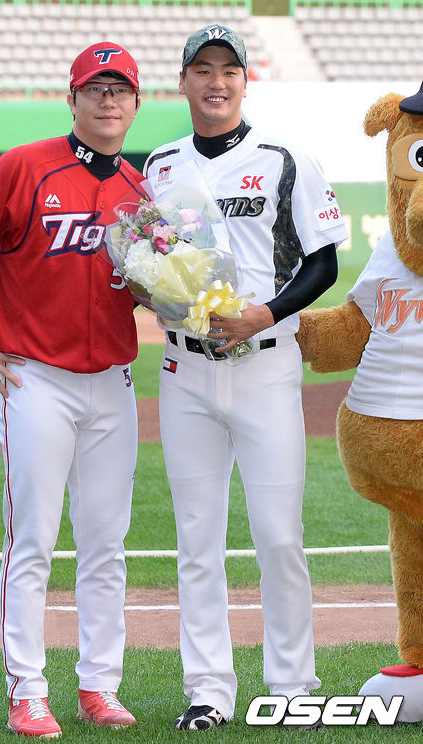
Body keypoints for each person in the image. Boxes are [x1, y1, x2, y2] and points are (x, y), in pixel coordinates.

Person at [143, 25, 348, 731]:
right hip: (185, 370)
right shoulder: (160, 165)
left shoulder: (284, 159)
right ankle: (208, 689)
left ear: (244, 80)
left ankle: (292, 685)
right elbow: (150, 257)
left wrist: (264, 313)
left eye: (228, 70)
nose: (216, 81)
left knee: (279, 536)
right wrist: (150, 289)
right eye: (202, 69)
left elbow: (324, 263)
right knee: (197, 540)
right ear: (184, 82)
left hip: (265, 364)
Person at [0, 42, 145, 738]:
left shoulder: (141, 190)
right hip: (37, 382)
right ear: (73, 97)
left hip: (113, 384)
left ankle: (99, 687)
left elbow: (145, 287)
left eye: (120, 89)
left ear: (136, 103)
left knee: (106, 544)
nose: (108, 100)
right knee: (32, 541)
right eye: (96, 88)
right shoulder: (25, 166)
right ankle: (27, 691)